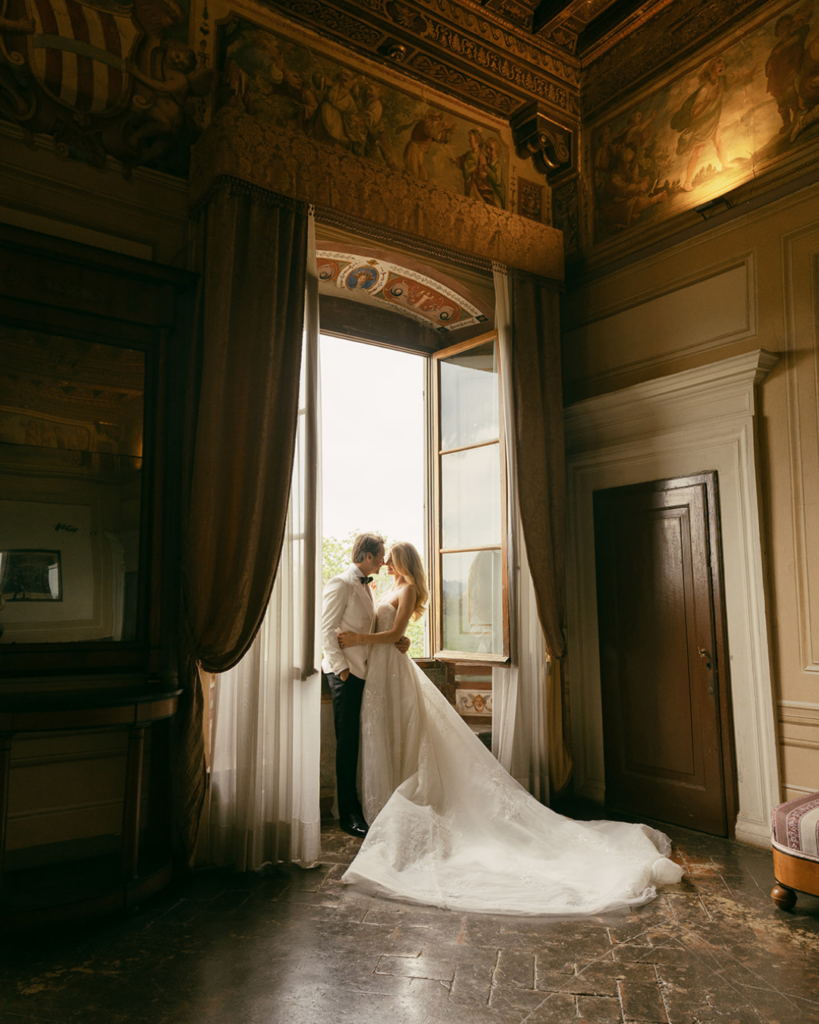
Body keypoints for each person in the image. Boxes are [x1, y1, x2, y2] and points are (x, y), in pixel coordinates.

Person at [337, 542, 684, 917]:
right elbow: (389, 632)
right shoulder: (383, 588)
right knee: (383, 734)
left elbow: (394, 633)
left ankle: (404, 799)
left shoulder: (406, 590)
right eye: (383, 559)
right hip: (378, 673)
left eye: (390, 559)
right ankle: (383, 800)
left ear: (402, 561)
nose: (385, 564)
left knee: (405, 734)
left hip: (393, 671)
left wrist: (363, 640)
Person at [321, 532, 409, 838]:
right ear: (369, 556)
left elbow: (376, 626)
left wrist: (402, 638)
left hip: (367, 674)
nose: (385, 560)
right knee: (346, 746)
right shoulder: (341, 582)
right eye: (381, 555)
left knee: (358, 744)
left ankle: (359, 806)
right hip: (346, 676)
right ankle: (348, 815)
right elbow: (326, 630)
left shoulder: (369, 587)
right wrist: (342, 671)